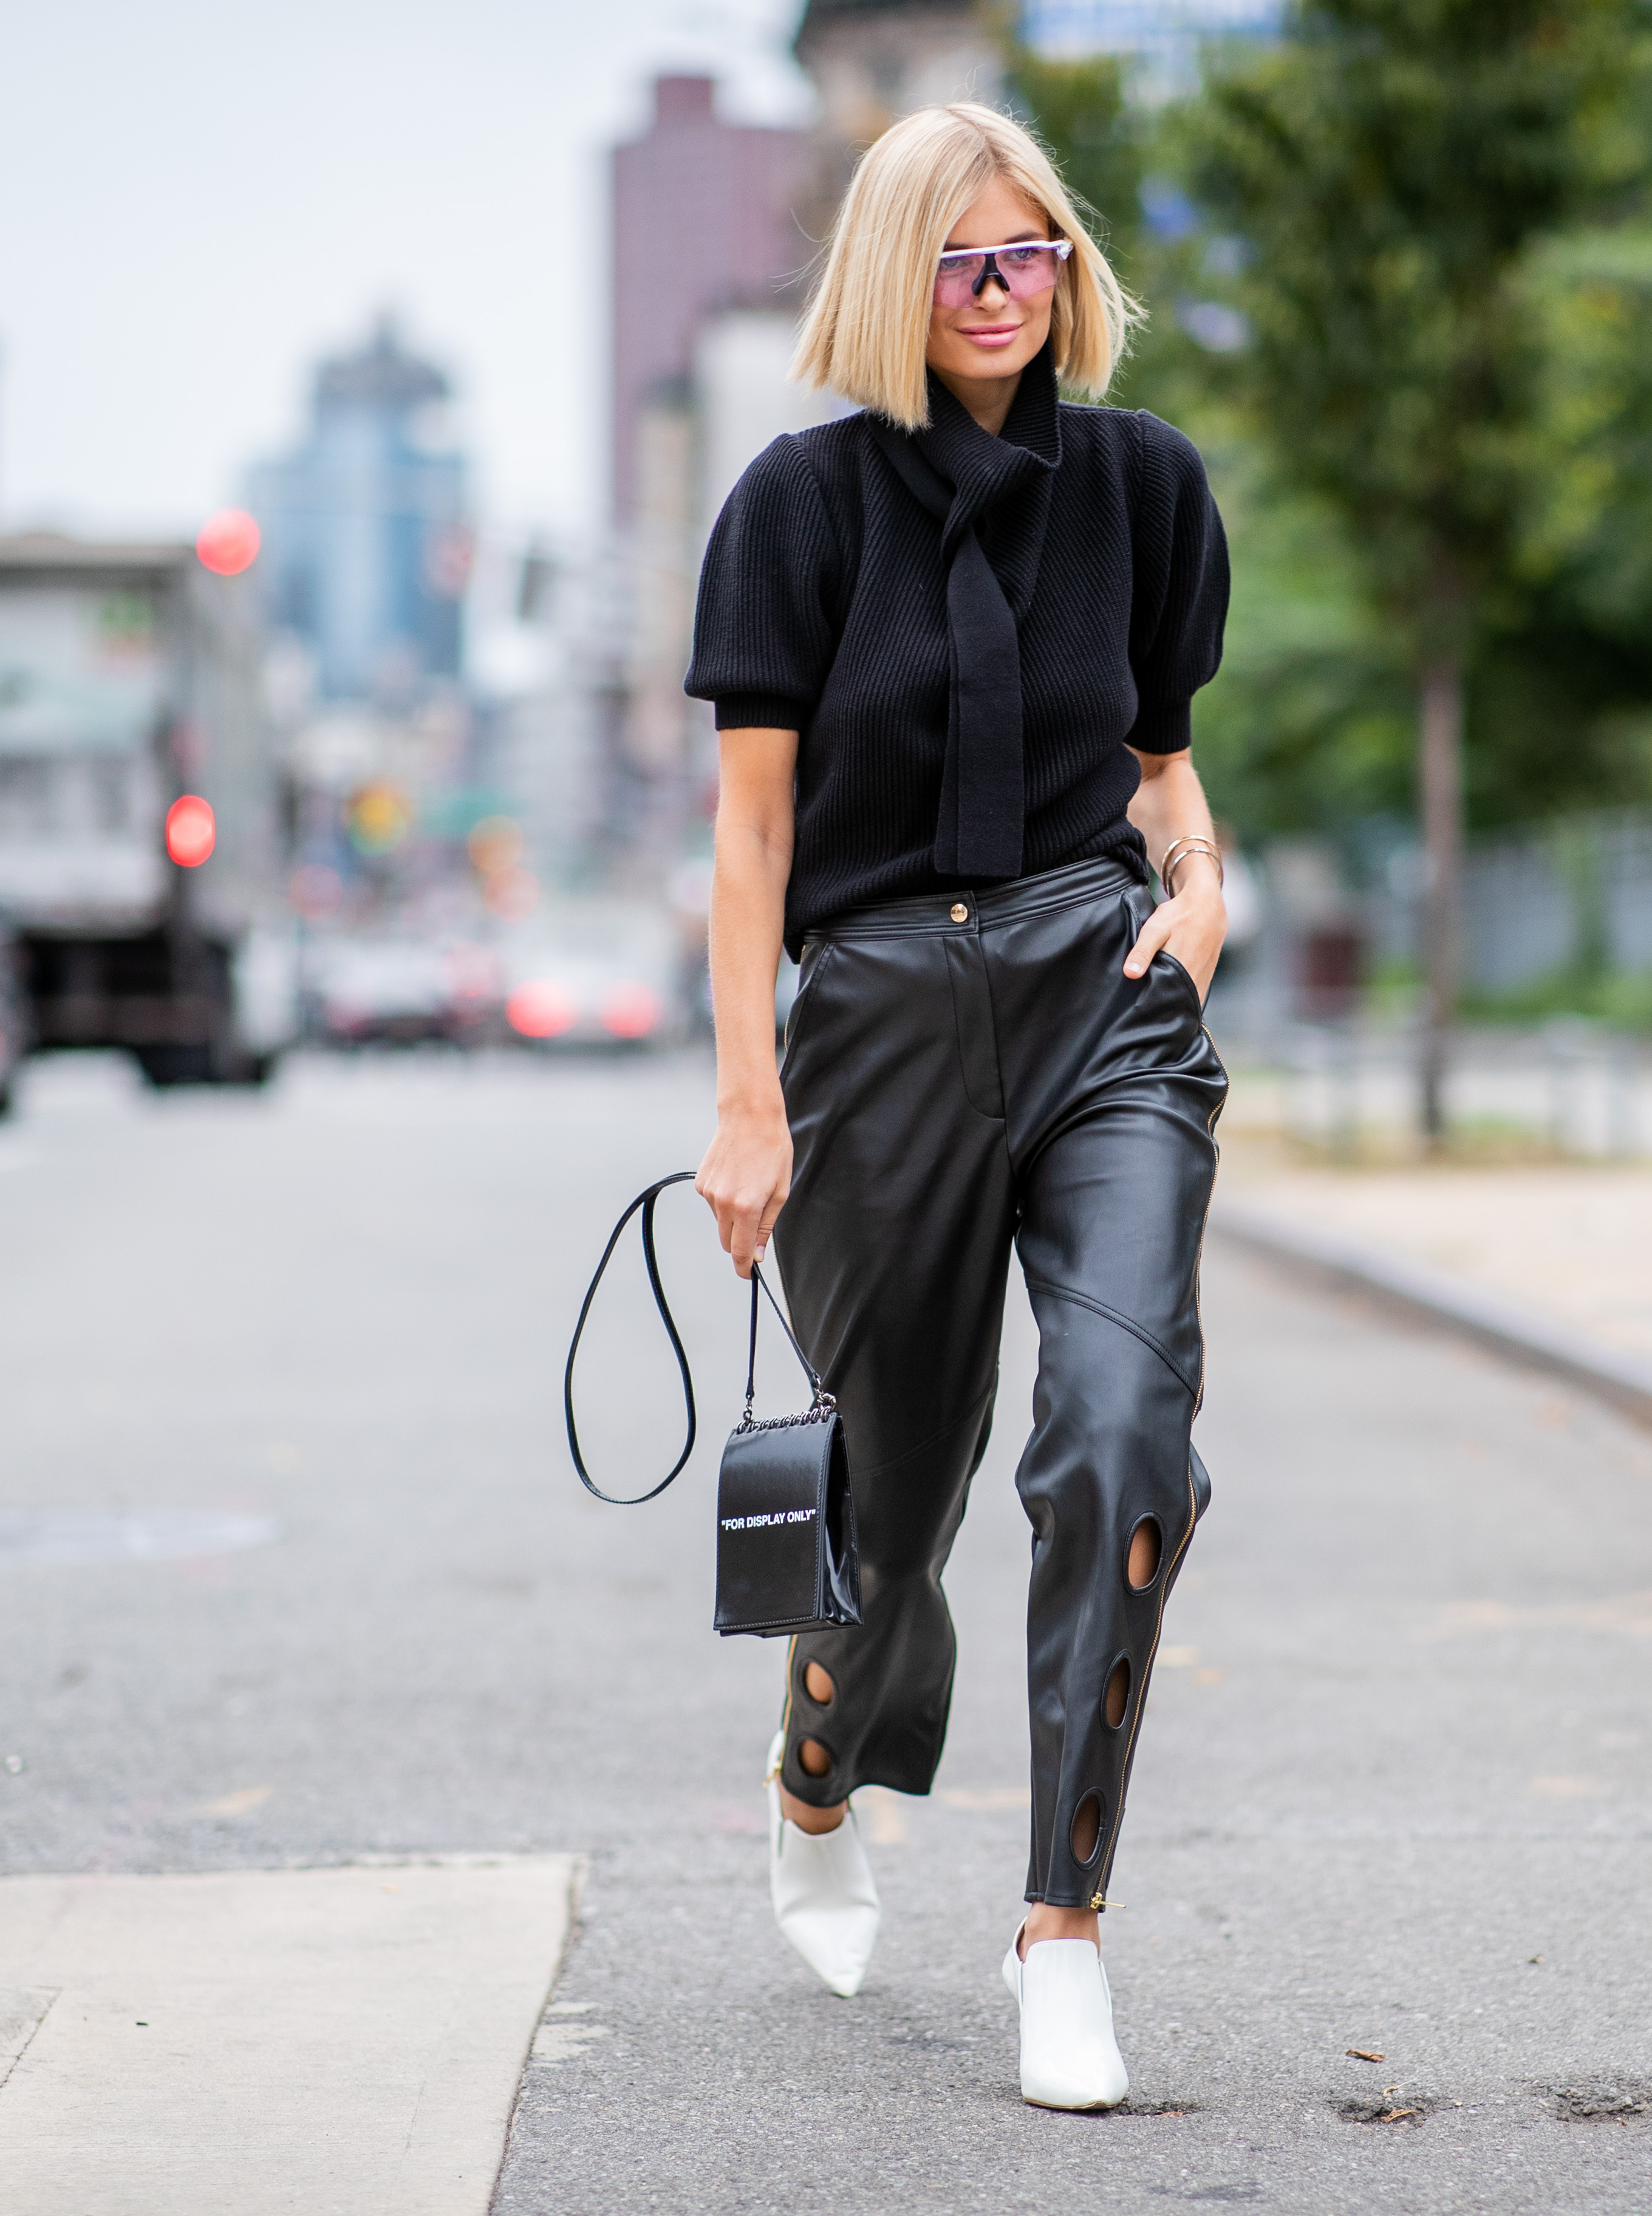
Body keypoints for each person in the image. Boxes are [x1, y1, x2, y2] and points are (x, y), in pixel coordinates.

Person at [685, 99, 1230, 2113]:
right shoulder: (799, 506)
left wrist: (1204, 886)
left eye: (1031, 256)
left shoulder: (1148, 488)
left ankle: (1060, 1929)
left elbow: (1161, 768)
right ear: (890, 279)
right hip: (881, 1018)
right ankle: (818, 1766)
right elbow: (753, 842)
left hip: (1104, 997)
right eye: (959, 262)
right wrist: (749, 1101)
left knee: (1124, 1435)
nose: (1001, 293)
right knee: (892, 1509)